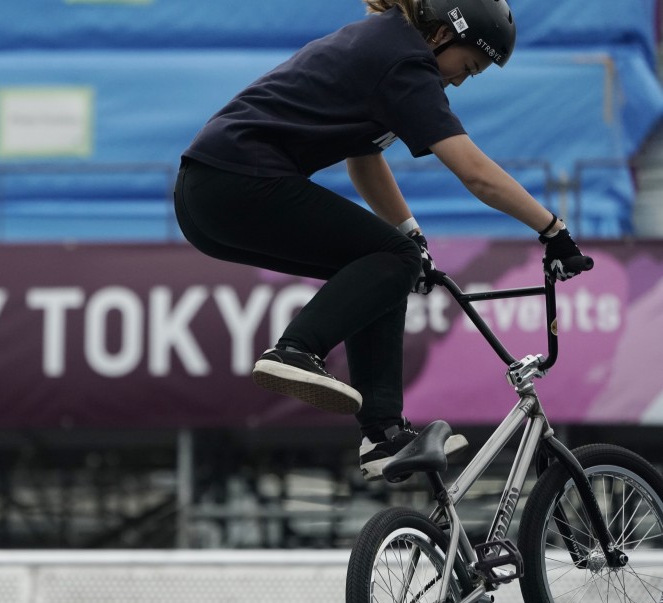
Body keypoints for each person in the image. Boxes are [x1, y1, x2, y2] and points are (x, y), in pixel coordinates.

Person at [173, 0, 590, 481]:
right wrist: (552, 229)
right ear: (441, 37)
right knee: (392, 258)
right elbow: (476, 174)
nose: (461, 80)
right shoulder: (406, 61)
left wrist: (412, 237)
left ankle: (383, 434)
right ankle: (296, 350)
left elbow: (363, 160)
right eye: (468, 67)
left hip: (205, 196)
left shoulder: (385, 42)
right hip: (236, 179)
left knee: (388, 264)